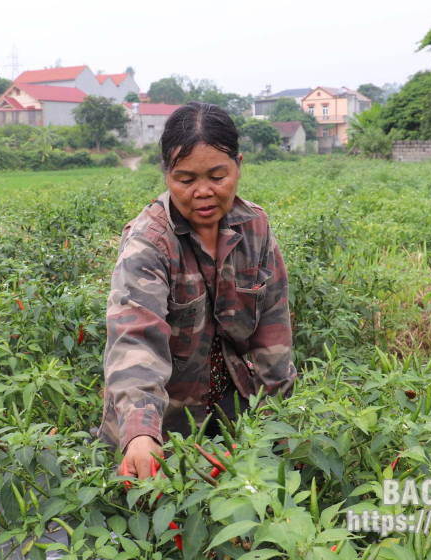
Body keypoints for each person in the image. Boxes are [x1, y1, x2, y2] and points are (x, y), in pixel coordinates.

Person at [100, 102, 297, 479]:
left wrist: (282, 418)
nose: (203, 192)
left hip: (232, 404)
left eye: (218, 176)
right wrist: (142, 431)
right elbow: (134, 338)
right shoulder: (149, 243)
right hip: (164, 417)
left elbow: (273, 328)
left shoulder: (254, 228)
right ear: (166, 174)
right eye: (185, 180)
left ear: (238, 165)